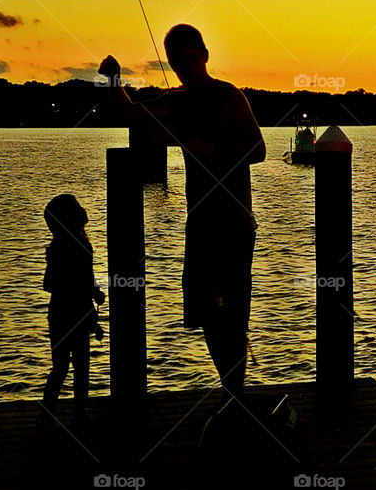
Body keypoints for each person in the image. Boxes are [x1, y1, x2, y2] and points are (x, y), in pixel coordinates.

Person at [99, 25, 265, 397]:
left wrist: (207, 148)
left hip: (235, 225)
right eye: (177, 62)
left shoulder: (229, 96)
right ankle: (231, 389)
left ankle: (235, 392)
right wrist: (112, 79)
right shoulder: (175, 102)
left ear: (204, 55)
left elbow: (258, 149)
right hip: (201, 224)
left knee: (233, 315)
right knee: (206, 312)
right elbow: (128, 115)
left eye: (190, 59)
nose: (184, 68)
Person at [40, 193, 105, 430]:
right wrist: (86, 290)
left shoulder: (75, 243)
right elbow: (50, 284)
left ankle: (66, 416)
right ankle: (61, 417)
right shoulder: (66, 247)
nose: (83, 209)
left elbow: (84, 278)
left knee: (73, 366)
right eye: (77, 207)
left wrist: (93, 290)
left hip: (68, 312)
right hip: (69, 312)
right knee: (69, 367)